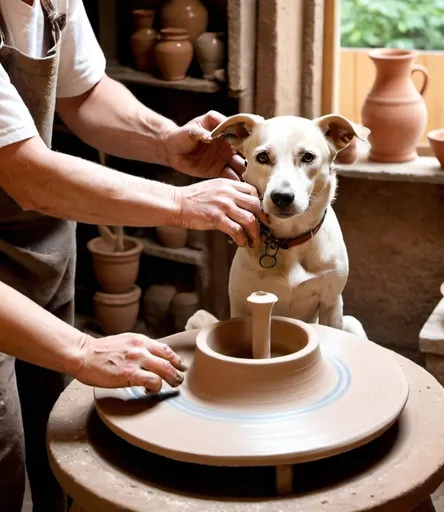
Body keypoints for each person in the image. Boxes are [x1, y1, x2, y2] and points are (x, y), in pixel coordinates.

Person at [0, 0, 267, 511]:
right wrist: (180, 202)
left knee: (56, 444)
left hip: (40, 249)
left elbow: (87, 92)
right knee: (5, 469)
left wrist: (167, 142)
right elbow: (25, 173)